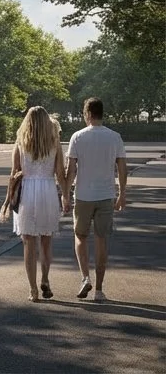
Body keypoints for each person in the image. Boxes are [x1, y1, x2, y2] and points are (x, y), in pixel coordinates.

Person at [65, 97, 128, 303]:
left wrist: (65, 193)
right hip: (106, 195)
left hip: (83, 195)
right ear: (102, 113)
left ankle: (85, 277)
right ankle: (99, 290)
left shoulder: (77, 137)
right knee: (102, 240)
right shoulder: (115, 137)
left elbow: (71, 170)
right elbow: (121, 168)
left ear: (88, 114)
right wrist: (122, 193)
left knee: (80, 236)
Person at [9, 107, 68, 302]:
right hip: (48, 190)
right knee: (46, 240)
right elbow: (60, 172)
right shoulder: (54, 142)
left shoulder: (21, 142)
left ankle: (33, 289)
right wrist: (65, 195)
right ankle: (45, 279)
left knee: (28, 243)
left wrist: (9, 195)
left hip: (27, 191)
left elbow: (14, 172)